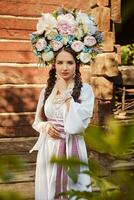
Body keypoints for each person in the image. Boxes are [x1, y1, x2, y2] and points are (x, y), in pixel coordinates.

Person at [29, 8, 103, 200]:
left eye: (69, 62)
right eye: (60, 62)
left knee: (71, 191)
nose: (64, 67)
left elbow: (78, 126)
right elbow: (37, 121)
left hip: (72, 148)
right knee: (50, 189)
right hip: (49, 149)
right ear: (53, 64)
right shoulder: (46, 91)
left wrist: (66, 94)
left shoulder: (85, 90)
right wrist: (45, 126)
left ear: (77, 64)